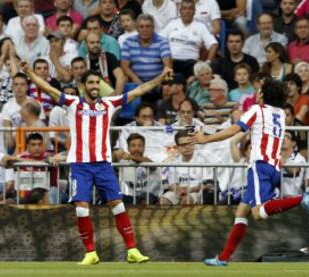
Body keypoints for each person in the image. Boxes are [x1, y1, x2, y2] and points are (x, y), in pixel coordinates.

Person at [19, 59, 172, 265]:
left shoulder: (109, 104)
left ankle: (132, 250)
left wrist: (160, 78)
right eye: (90, 83)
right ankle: (90, 252)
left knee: (118, 206)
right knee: (82, 208)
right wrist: (29, 72)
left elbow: (139, 90)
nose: (94, 86)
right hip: (80, 165)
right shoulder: (73, 104)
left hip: (103, 165)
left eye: (96, 83)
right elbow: (47, 88)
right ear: (83, 86)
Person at [191, 79, 308, 266]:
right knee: (241, 212)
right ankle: (223, 258)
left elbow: (235, 129)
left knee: (258, 213)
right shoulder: (279, 113)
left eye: (259, 90)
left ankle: (304, 199)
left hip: (259, 166)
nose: (257, 92)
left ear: (263, 95)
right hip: (273, 167)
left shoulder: (257, 110)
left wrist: (206, 139)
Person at [160, 0, 218, 78]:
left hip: (191, 63)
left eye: (190, 9)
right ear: (179, 11)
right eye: (184, 8)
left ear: (194, 11)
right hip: (172, 62)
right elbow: (159, 40)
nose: (187, 11)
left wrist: (207, 63)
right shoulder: (172, 23)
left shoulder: (201, 26)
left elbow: (213, 44)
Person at [160, 130, 213, 205]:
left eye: (190, 143)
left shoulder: (203, 159)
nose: (187, 146)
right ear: (177, 147)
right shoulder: (174, 161)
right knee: (163, 200)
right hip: (178, 192)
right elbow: (171, 184)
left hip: (197, 192)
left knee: (186, 201)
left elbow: (208, 184)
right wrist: (179, 190)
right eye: (183, 144)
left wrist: (190, 190)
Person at [114, 133, 161, 205]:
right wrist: (115, 154)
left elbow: (152, 165)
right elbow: (110, 158)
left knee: (144, 200)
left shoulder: (149, 159)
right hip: (130, 197)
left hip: (150, 196)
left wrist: (131, 157)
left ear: (144, 147)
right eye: (133, 145)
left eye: (140, 145)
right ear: (128, 148)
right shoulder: (124, 162)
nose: (137, 148)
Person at [280, 130, 306, 197]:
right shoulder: (273, 156)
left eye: (287, 137)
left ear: (293, 143)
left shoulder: (299, 158)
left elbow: (294, 171)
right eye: (281, 136)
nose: (283, 139)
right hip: (276, 197)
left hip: (294, 197)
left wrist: (281, 159)